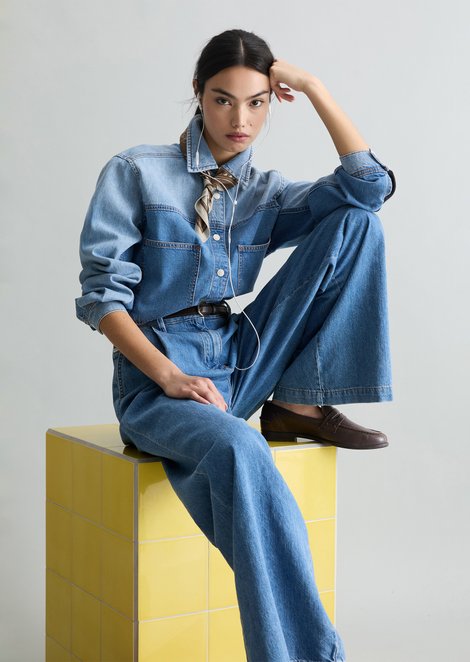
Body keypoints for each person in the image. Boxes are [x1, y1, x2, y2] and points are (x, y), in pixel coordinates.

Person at [75, 28, 396, 662]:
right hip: (160, 380)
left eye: (256, 103)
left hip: (239, 355)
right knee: (243, 452)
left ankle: (297, 403)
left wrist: (315, 87)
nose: (239, 120)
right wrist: (168, 376)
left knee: (357, 224)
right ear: (198, 93)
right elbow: (101, 298)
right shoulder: (136, 171)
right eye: (223, 100)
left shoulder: (264, 191)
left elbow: (369, 190)